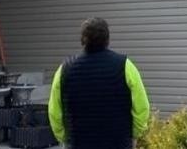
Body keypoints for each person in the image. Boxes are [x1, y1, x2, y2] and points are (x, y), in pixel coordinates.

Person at [48, 17, 150, 148]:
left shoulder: (64, 69)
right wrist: (134, 134)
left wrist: (65, 138)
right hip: (118, 143)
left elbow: (55, 112)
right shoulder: (125, 66)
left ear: (83, 39)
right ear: (107, 39)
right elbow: (142, 108)